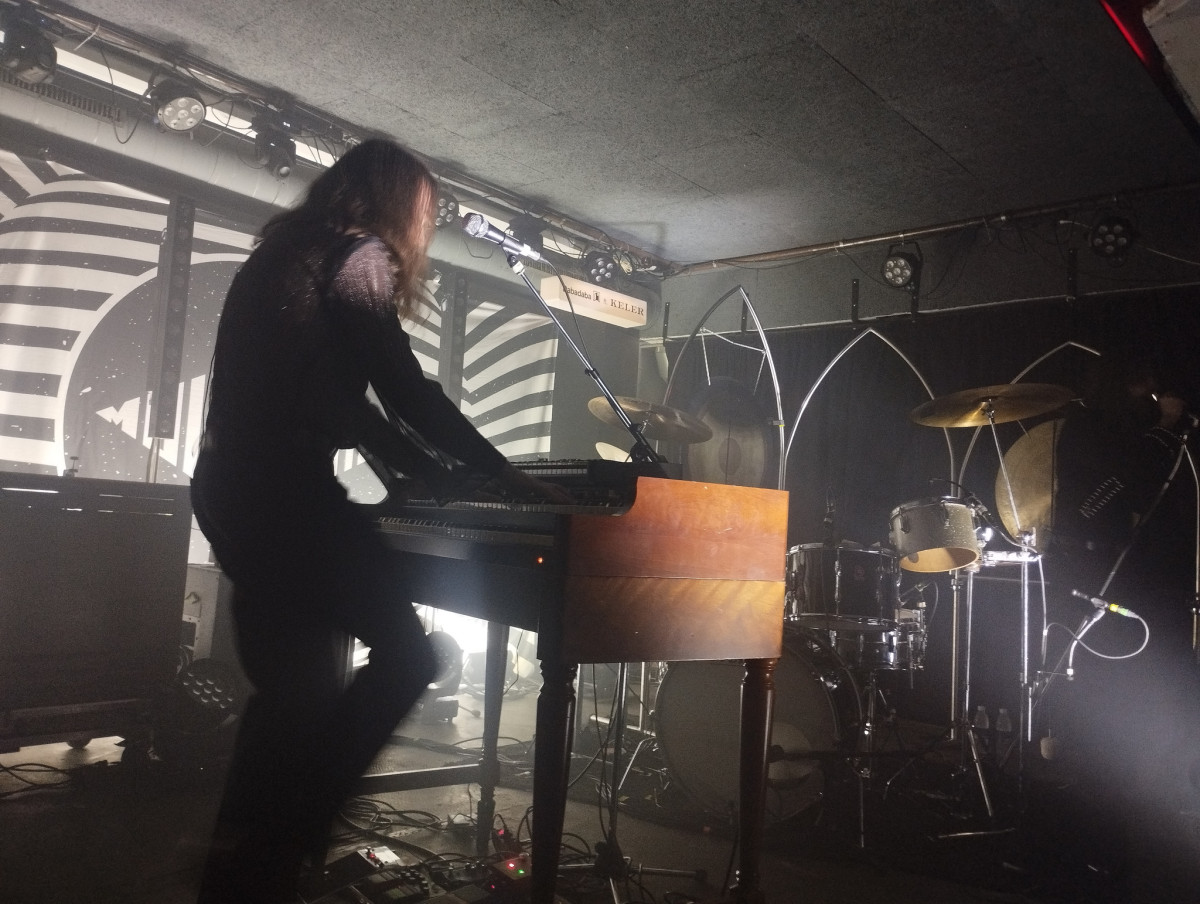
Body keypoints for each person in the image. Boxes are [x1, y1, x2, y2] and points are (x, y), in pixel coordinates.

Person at [191, 138, 570, 903]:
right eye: (427, 210)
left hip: (230, 491)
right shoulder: (358, 254)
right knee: (408, 656)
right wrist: (498, 473)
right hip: (285, 498)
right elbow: (402, 386)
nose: (428, 226)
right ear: (396, 203)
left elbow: (343, 407)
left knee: (292, 692)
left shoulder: (287, 254)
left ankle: (242, 867)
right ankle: (289, 837)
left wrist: (422, 472)